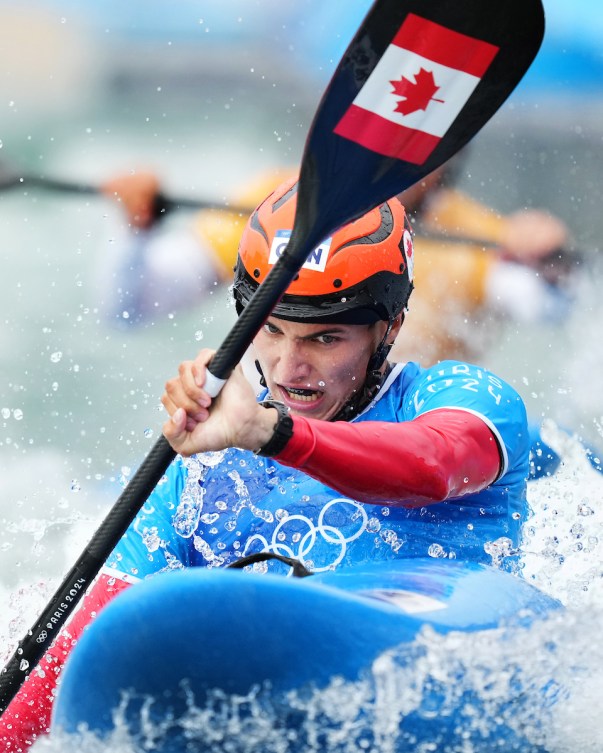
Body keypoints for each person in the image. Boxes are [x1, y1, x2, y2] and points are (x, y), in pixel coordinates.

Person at [1, 177, 531, 749]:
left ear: (390, 328)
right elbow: (87, 644)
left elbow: (433, 465)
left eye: (325, 339)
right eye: (271, 330)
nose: (287, 367)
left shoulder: (462, 397)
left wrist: (269, 432)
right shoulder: (201, 469)